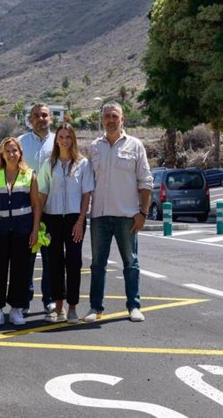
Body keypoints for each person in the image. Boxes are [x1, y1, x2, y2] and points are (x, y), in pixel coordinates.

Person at [84, 102, 153, 323]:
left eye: (115, 116)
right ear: (102, 119)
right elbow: (87, 182)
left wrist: (143, 213)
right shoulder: (94, 147)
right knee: (97, 265)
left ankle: (134, 306)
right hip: (99, 217)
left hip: (127, 216)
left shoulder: (135, 145)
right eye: (107, 116)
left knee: (130, 263)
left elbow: (146, 182)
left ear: (122, 119)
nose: (110, 120)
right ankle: (95, 308)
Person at [0, 137, 41, 327]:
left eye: (15, 150)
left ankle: (16, 310)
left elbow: (36, 205)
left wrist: (35, 230)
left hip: (22, 229)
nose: (11, 154)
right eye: (7, 151)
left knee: (21, 270)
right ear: (2, 154)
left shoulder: (29, 175)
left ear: (20, 153)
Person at [37, 123, 94, 324]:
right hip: (51, 218)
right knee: (54, 264)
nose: (64, 140)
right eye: (61, 137)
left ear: (73, 139)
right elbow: (42, 194)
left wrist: (80, 221)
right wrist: (37, 223)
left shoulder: (83, 164)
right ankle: (58, 308)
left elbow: (87, 194)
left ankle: (72, 308)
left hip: (74, 219)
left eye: (68, 137)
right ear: (56, 140)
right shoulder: (48, 164)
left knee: (74, 262)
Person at [18, 103, 55, 314]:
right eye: (36, 116)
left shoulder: (59, 141)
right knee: (26, 258)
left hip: (52, 210)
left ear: (50, 118)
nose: (40, 119)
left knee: (50, 257)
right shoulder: (22, 143)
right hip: (27, 210)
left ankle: (49, 299)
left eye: (44, 115)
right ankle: (24, 300)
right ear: (30, 119)